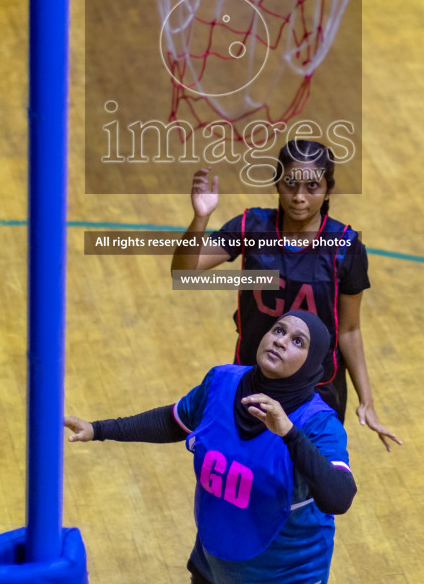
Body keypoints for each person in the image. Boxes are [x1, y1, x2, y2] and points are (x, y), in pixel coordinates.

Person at [65, 311, 357, 584]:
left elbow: (339, 496)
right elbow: (173, 421)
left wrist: (288, 433)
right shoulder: (222, 382)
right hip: (215, 575)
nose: (280, 340)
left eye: (297, 341)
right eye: (278, 330)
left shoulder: (319, 424)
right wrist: (99, 429)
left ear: (311, 361)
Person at [171, 139, 401, 451]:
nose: (299, 197)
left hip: (316, 394)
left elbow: (348, 330)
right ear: (278, 182)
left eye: (312, 186)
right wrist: (200, 218)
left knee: (303, 485)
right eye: (290, 184)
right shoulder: (251, 226)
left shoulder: (345, 247)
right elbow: (185, 272)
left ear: (328, 189)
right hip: (253, 381)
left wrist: (367, 400)